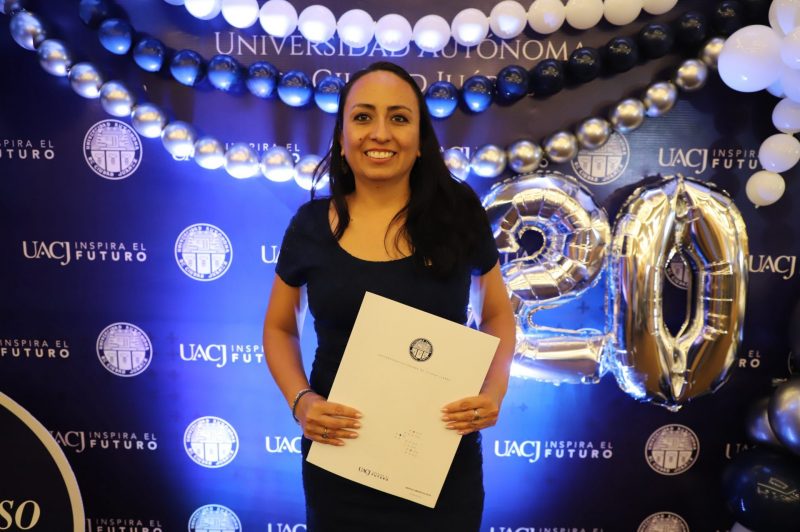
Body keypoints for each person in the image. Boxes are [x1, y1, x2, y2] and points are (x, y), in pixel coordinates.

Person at [262, 61, 515, 531]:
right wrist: (302, 401)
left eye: (399, 118)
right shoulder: (310, 226)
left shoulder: (459, 213)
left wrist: (494, 390)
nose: (380, 133)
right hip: (339, 459)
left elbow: (497, 313)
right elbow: (279, 328)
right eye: (363, 117)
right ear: (342, 139)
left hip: (442, 464)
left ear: (420, 141)